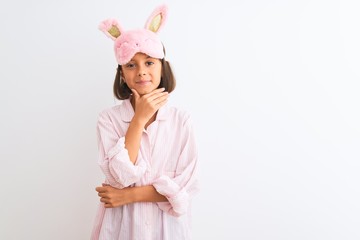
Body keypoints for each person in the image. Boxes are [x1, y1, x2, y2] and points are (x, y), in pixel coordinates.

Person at [90, 4, 199, 240]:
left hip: (167, 230)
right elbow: (119, 178)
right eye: (131, 65)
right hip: (122, 229)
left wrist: (129, 195)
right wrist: (138, 121)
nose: (141, 71)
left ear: (162, 67)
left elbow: (185, 188)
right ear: (122, 73)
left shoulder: (181, 121)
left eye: (149, 63)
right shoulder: (109, 119)